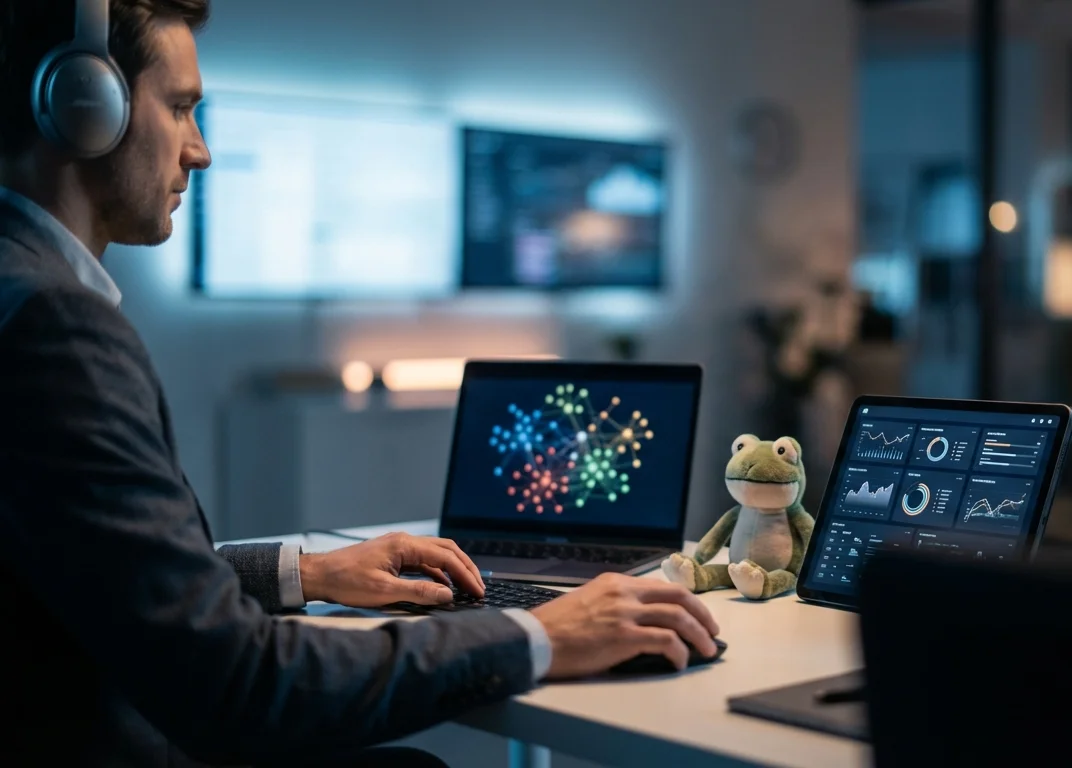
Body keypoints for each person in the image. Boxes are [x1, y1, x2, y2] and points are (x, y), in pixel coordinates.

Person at [0, 1, 719, 765]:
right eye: (179, 108)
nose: (201, 151)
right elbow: (239, 684)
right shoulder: (58, 330)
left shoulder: (21, 295)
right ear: (83, 104)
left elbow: (132, 587)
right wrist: (537, 633)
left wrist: (309, 572)